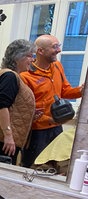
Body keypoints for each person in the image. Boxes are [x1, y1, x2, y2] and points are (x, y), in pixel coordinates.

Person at [20, 34, 84, 168]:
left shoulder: (57, 66)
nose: (59, 50)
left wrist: (81, 90)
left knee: (54, 167)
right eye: (54, 47)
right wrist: (48, 120)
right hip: (37, 133)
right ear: (40, 51)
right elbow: (25, 110)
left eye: (59, 46)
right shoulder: (25, 76)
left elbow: (65, 91)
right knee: (33, 168)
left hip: (56, 128)